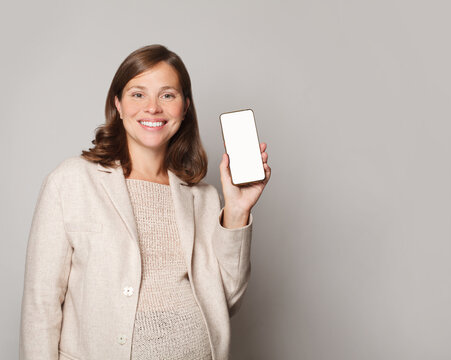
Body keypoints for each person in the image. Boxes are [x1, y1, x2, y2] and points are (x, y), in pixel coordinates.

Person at [19, 44, 271, 360]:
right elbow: (40, 305)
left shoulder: (202, 197)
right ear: (118, 104)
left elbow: (227, 300)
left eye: (167, 95)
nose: (152, 107)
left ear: (185, 107)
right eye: (138, 94)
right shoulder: (71, 181)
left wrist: (237, 210)